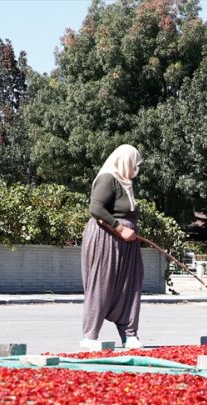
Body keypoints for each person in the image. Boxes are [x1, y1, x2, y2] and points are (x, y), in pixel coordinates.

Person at [81, 144, 144, 350]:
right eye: (134, 163)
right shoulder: (108, 178)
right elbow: (96, 208)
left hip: (127, 244)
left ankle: (129, 334)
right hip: (106, 239)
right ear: (125, 161)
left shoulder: (127, 183)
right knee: (102, 283)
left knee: (130, 285)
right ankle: (90, 336)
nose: (136, 168)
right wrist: (119, 228)